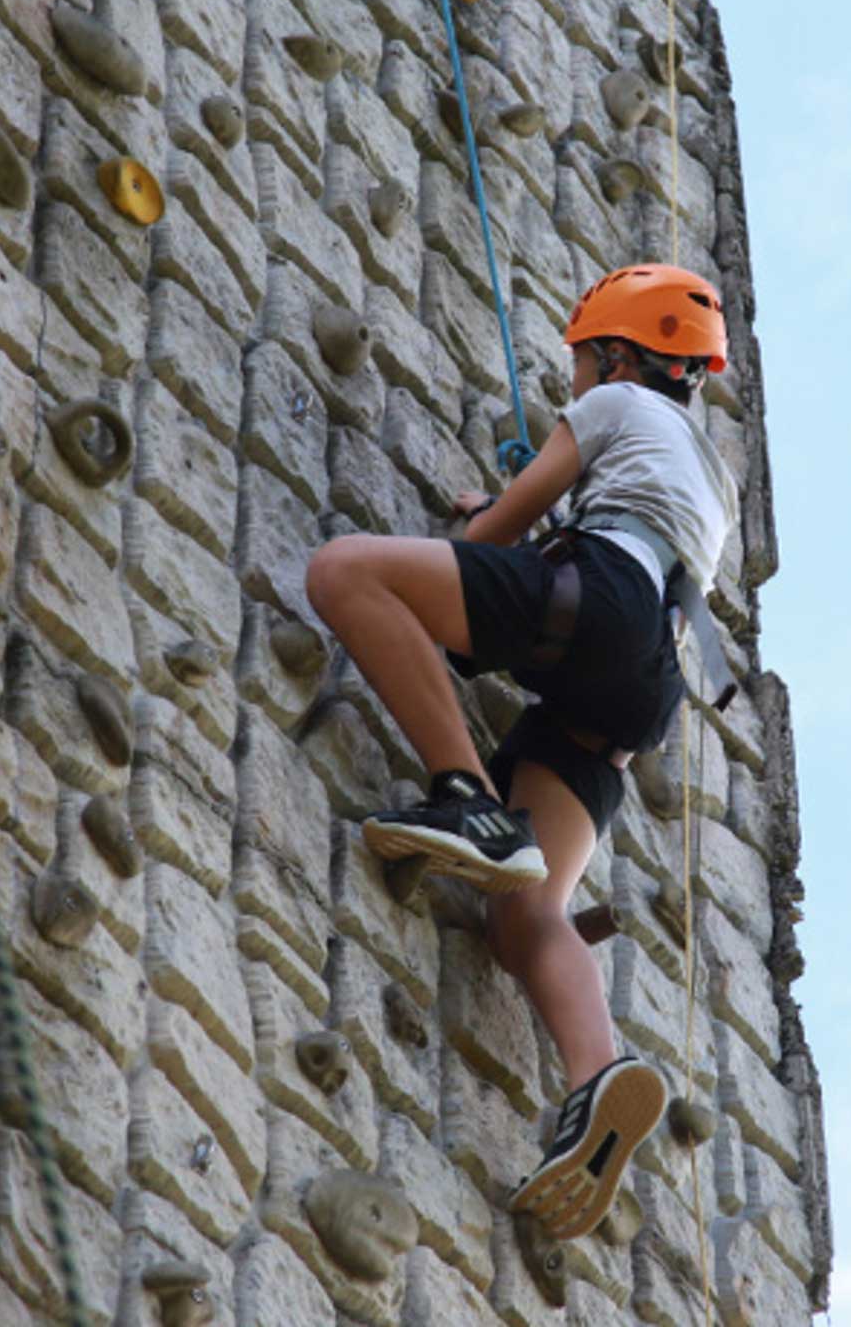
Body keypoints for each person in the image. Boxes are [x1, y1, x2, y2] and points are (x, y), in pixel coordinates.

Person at [304, 263, 739, 1240]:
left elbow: (505, 525)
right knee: (526, 910)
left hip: (600, 601)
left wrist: (481, 530)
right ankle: (597, 1073)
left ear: (620, 355)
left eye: (580, 366)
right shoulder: (705, 473)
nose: (573, 387)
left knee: (347, 574)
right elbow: (622, 530)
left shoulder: (615, 399)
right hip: (644, 688)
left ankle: (465, 794)